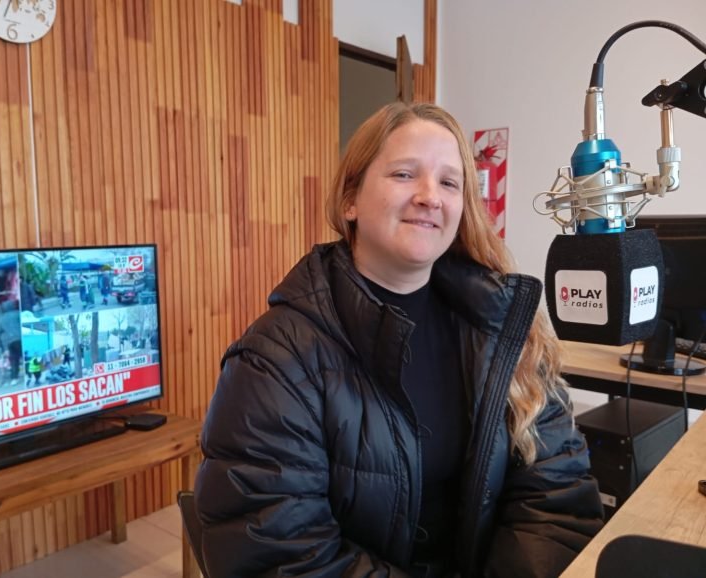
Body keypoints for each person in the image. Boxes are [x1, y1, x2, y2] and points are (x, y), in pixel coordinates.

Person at [188, 102, 604, 578]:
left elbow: (557, 497)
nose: (430, 196)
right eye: (404, 174)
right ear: (350, 200)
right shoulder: (274, 361)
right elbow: (281, 557)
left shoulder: (502, 328)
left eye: (449, 183)